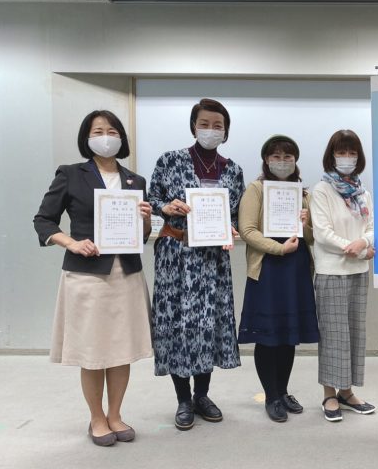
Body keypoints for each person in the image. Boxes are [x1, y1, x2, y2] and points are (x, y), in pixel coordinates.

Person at [33, 110, 153, 446]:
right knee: (93, 350)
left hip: (126, 273)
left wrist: (146, 219)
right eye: (98, 130)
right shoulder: (71, 174)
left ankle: (116, 415)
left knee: (122, 348)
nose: (106, 136)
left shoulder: (135, 181)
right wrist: (71, 241)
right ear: (87, 138)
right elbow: (43, 220)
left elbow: (140, 237)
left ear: (121, 138)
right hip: (87, 274)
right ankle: (96, 418)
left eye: (112, 130)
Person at [148, 98, 245, 431]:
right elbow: (151, 200)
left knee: (209, 326)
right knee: (176, 326)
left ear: (226, 131)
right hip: (175, 257)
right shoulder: (170, 161)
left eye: (218, 125)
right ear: (194, 126)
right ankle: (182, 400)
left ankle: (202, 394)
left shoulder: (232, 170)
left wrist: (233, 227)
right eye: (205, 124)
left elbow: (235, 214)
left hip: (212, 259)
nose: (211, 130)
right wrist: (166, 206)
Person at [237, 135, 319, 423]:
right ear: (266, 160)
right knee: (268, 336)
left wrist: (308, 223)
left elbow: (311, 238)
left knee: (288, 336)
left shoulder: (303, 193)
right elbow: (246, 230)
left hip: (296, 269)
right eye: (276, 156)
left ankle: (283, 391)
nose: (282, 162)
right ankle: (271, 395)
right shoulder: (256, 189)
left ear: (295, 160)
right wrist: (278, 248)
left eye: (288, 156)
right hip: (269, 268)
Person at [310, 129, 376, 423]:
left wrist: (364, 243)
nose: (347, 158)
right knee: (333, 335)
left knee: (354, 334)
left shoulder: (364, 193)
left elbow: (372, 228)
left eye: (352, 153)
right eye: (341, 152)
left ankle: (347, 392)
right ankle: (328, 394)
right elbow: (323, 234)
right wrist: (357, 248)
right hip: (332, 272)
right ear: (331, 156)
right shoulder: (321, 190)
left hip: (358, 272)